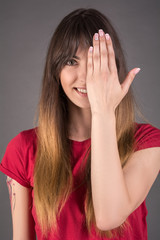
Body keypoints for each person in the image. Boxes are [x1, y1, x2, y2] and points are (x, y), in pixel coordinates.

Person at [0, 8, 160, 240]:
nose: (85, 76)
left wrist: (103, 111)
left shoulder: (147, 143)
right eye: (71, 61)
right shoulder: (23, 149)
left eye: (95, 60)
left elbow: (109, 216)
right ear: (56, 71)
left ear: (114, 67)